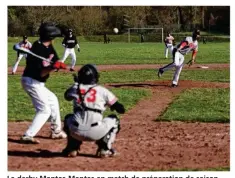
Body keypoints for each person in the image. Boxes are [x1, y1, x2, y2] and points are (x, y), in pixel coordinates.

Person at [62, 64, 125, 158]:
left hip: (76, 132)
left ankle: (72, 148)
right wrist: (111, 106)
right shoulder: (102, 90)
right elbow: (121, 110)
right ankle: (104, 149)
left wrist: (76, 84)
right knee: (114, 120)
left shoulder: (75, 88)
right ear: (95, 77)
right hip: (96, 132)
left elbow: (66, 96)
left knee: (68, 118)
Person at [20, 22, 67, 144]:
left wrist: (58, 64)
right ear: (51, 37)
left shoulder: (48, 47)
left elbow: (55, 60)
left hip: (38, 83)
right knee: (44, 109)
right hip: (31, 81)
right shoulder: (37, 49)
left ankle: (56, 131)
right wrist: (52, 67)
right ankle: (28, 135)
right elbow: (41, 73)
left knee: (53, 100)